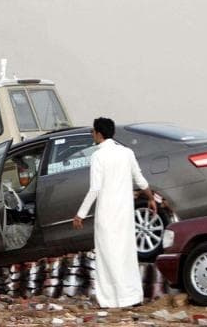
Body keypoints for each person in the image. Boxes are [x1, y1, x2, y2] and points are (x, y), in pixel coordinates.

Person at [72, 117, 157, 308]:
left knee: (107, 256)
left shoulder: (98, 156)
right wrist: (151, 198)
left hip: (106, 214)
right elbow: (141, 180)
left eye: (93, 132)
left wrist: (80, 214)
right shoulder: (127, 153)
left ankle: (110, 300)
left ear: (99, 134)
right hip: (125, 215)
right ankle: (132, 297)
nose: (92, 135)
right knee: (126, 254)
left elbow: (95, 188)